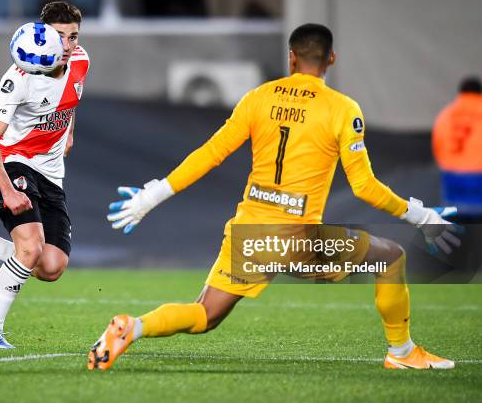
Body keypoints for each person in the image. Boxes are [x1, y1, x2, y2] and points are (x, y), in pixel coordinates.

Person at [88, 24, 459, 370]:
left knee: (204, 315)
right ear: (331, 59)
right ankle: (402, 352)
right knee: (391, 257)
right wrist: (421, 216)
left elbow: (210, 153)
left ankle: (133, 327)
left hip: (249, 234)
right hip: (298, 239)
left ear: (291, 58)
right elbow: (364, 186)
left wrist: (152, 196)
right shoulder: (342, 109)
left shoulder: (259, 98)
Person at [0, 1, 90, 348]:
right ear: (42, 34)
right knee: (30, 248)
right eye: (59, 36)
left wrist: (69, 130)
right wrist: (8, 190)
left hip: (51, 173)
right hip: (14, 163)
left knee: (51, 267)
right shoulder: (18, 79)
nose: (67, 45)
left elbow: (69, 100)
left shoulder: (81, 60)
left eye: (73, 36)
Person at [432, 76, 482, 223]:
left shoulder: (446, 114)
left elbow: (438, 145)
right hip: (479, 175)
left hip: (451, 175)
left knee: (455, 218)